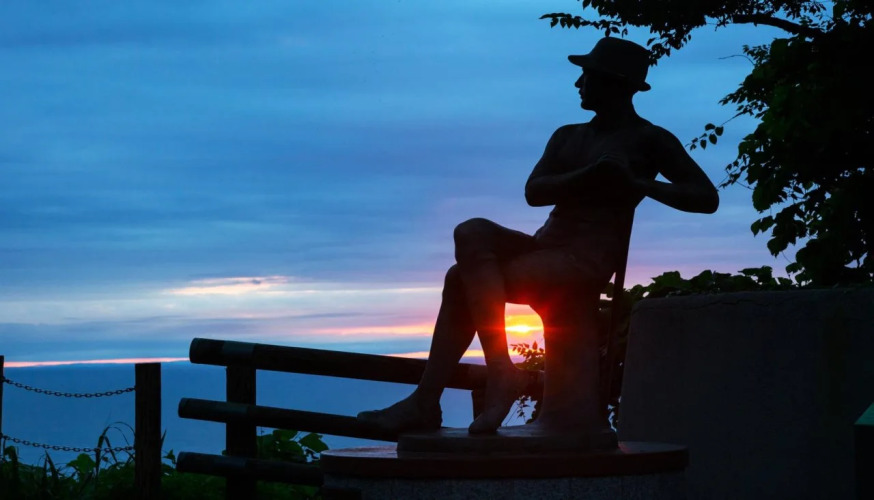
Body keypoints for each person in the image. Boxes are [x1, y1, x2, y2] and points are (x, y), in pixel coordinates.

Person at [358, 37, 719, 438]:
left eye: (587, 76)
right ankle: (497, 372)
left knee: (461, 279)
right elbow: (534, 192)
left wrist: (637, 183)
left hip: (584, 259)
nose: (578, 84)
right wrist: (589, 175)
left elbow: (706, 197)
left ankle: (431, 399)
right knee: (470, 230)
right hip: (545, 245)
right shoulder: (567, 135)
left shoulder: (650, 139)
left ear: (614, 82)